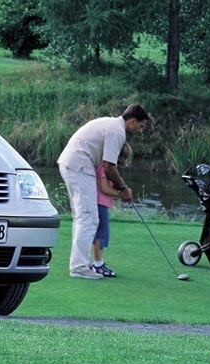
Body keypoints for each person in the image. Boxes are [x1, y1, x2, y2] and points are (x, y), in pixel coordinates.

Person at [57, 104, 152, 279]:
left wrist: (122, 188)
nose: (141, 131)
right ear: (132, 121)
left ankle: (81, 264)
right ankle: (79, 267)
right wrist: (123, 189)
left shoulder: (112, 124)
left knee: (83, 217)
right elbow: (109, 167)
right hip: (79, 165)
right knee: (88, 217)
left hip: (72, 164)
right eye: (141, 126)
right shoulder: (117, 132)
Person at [91, 142, 132, 277]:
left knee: (101, 233)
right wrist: (121, 194)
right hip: (99, 203)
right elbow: (104, 188)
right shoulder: (103, 167)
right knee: (101, 233)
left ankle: (97, 263)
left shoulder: (107, 167)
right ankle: (98, 264)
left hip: (101, 203)